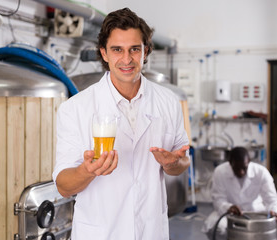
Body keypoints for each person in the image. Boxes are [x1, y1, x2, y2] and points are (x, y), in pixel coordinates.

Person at [52, 7, 190, 240]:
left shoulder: (168, 102)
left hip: (151, 231)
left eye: (134, 49)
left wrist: (172, 164)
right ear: (104, 53)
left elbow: (183, 160)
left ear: (146, 51)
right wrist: (87, 171)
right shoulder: (75, 108)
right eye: (117, 50)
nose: (127, 59)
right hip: (101, 233)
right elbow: (63, 185)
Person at [202, 146, 277, 240]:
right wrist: (228, 207)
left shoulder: (261, 172)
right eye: (237, 168)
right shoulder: (220, 171)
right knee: (217, 228)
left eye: (244, 168)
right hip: (230, 214)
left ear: (249, 161)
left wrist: (275, 212)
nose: (241, 172)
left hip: (255, 211)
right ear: (230, 163)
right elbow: (218, 200)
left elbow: (272, 200)